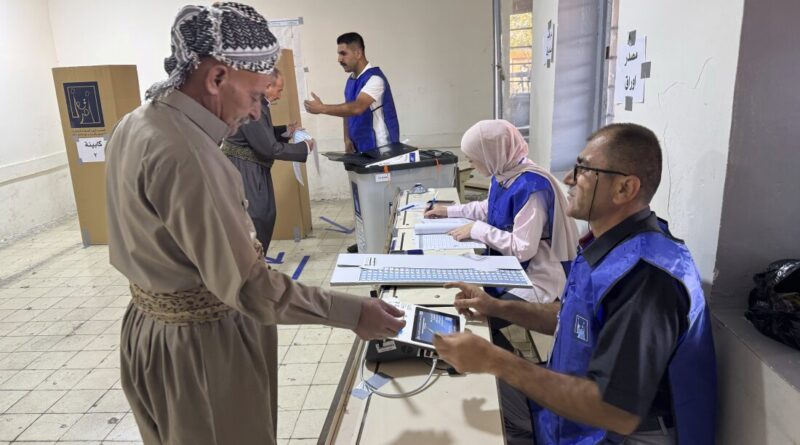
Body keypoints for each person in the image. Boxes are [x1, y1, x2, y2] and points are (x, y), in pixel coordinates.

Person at [104, 4, 405, 444]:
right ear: (217, 78)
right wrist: (355, 311)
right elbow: (251, 289)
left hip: (148, 336)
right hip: (203, 352)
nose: (256, 111)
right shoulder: (191, 156)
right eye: (256, 95)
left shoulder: (135, 123)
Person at [433, 123, 717, 444]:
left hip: (609, 431)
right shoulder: (610, 247)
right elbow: (572, 319)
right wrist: (496, 307)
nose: (568, 178)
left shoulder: (646, 276)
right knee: (472, 401)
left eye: (583, 170)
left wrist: (497, 361)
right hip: (572, 411)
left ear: (625, 188)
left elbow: (615, 411)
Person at [424, 120, 578, 349]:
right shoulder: (505, 172)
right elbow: (491, 207)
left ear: (490, 154)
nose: (470, 163)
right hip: (514, 267)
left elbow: (523, 248)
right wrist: (448, 211)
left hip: (538, 278)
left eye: (473, 157)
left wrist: (477, 229)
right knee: (472, 307)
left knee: (478, 316)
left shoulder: (531, 187)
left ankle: (502, 365)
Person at [223, 68, 313, 252]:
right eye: (278, 90)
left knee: (263, 215)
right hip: (246, 170)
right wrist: (303, 147)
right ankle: (253, 266)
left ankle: (256, 263)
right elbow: (268, 147)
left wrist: (285, 131)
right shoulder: (251, 107)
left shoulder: (257, 102)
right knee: (258, 217)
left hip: (250, 167)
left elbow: (261, 134)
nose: (280, 95)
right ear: (267, 85)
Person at [303, 32, 399, 153]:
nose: (339, 59)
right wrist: (346, 139)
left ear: (358, 53)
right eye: (338, 54)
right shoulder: (351, 80)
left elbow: (357, 108)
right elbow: (347, 110)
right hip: (359, 149)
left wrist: (322, 108)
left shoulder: (375, 79)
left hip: (380, 150)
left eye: (343, 54)